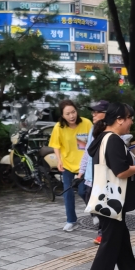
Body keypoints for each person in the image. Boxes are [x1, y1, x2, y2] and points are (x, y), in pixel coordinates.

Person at [81, 103, 135, 270]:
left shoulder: (104, 137)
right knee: (110, 243)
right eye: (129, 118)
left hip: (109, 200)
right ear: (119, 119)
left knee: (121, 240)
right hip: (111, 201)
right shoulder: (112, 140)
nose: (131, 122)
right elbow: (120, 171)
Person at [48, 99, 93, 232]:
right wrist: (59, 160)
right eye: (67, 114)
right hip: (67, 164)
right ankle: (71, 221)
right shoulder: (59, 127)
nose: (71, 116)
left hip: (84, 166)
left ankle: (95, 213)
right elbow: (56, 145)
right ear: (62, 115)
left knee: (83, 191)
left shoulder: (86, 123)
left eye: (73, 112)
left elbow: (93, 143)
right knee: (68, 193)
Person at [78, 100, 108, 245]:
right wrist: (81, 171)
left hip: (101, 175)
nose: (93, 115)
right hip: (90, 174)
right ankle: (98, 221)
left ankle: (102, 232)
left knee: (100, 204)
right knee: (84, 193)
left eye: (97, 112)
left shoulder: (109, 130)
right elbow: (87, 152)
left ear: (106, 114)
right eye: (93, 112)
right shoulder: (93, 129)